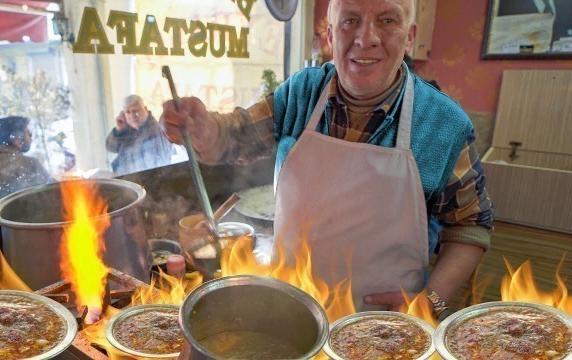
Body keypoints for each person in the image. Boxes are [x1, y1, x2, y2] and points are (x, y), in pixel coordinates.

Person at [161, 0, 493, 318]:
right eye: (350, 20)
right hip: (288, 307)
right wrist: (203, 130)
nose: (366, 39)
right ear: (330, 36)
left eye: (387, 20)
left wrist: (430, 299)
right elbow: (234, 137)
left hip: (385, 324)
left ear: (410, 36)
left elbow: (470, 226)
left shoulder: (441, 124)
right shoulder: (300, 94)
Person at [105, 95, 175, 175]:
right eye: (128, 112)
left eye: (135, 111)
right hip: (126, 178)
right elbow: (110, 147)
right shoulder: (127, 129)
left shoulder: (155, 131)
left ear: (145, 109)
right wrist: (118, 130)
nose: (132, 115)